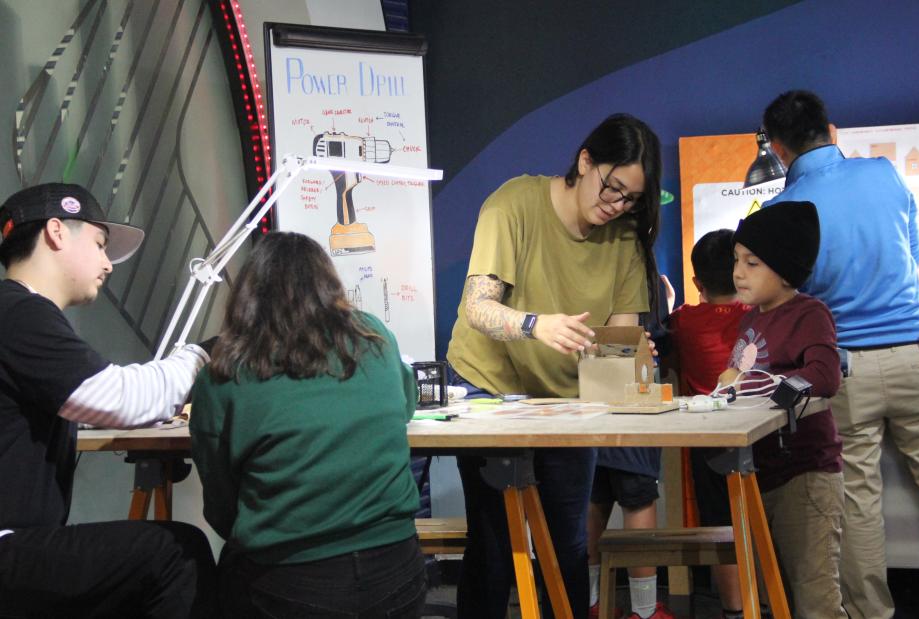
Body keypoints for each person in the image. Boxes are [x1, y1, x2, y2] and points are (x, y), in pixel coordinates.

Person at [761, 90, 919, 619]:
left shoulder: (783, 213)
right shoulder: (885, 175)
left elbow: (790, 299)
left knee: (857, 499)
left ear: (778, 151)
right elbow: (913, 255)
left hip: (847, 371)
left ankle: (872, 613)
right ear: (833, 130)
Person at [446, 112, 661, 619]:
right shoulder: (513, 204)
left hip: (565, 402)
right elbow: (479, 308)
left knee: (567, 544)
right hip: (489, 385)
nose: (617, 205)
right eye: (612, 188)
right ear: (585, 161)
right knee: (495, 544)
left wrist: (629, 354)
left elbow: (616, 344)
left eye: (631, 198)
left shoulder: (625, 238)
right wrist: (535, 325)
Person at [0, 183, 217, 617]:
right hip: (11, 548)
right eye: (100, 245)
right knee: (179, 553)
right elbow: (117, 397)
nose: (107, 264)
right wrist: (203, 354)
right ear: (57, 232)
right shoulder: (19, 313)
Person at [188, 231, 426, 618]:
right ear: (328, 283)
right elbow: (406, 403)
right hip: (399, 576)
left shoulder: (224, 375)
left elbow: (220, 503)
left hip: (289, 586)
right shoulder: (374, 336)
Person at [690, 203, 845, 619]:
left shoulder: (809, 314)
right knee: (771, 594)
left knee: (814, 598)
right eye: (736, 261)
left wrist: (765, 386)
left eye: (752, 263)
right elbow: (741, 373)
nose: (738, 272)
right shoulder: (750, 322)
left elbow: (825, 375)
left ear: (785, 269)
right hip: (762, 474)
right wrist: (732, 382)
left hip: (804, 477)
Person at [662, 229, 751, 618]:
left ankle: (734, 608)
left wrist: (666, 306)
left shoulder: (683, 321)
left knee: (720, 523)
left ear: (697, 282)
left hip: (708, 438)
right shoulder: (760, 315)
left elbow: (671, 333)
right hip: (758, 429)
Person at [586, 269, 677, 619]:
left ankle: (590, 601)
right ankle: (644, 609)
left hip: (586, 400)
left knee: (593, 497)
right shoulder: (639, 273)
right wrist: (666, 309)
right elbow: (660, 340)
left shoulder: (585, 269)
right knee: (638, 498)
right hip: (632, 401)